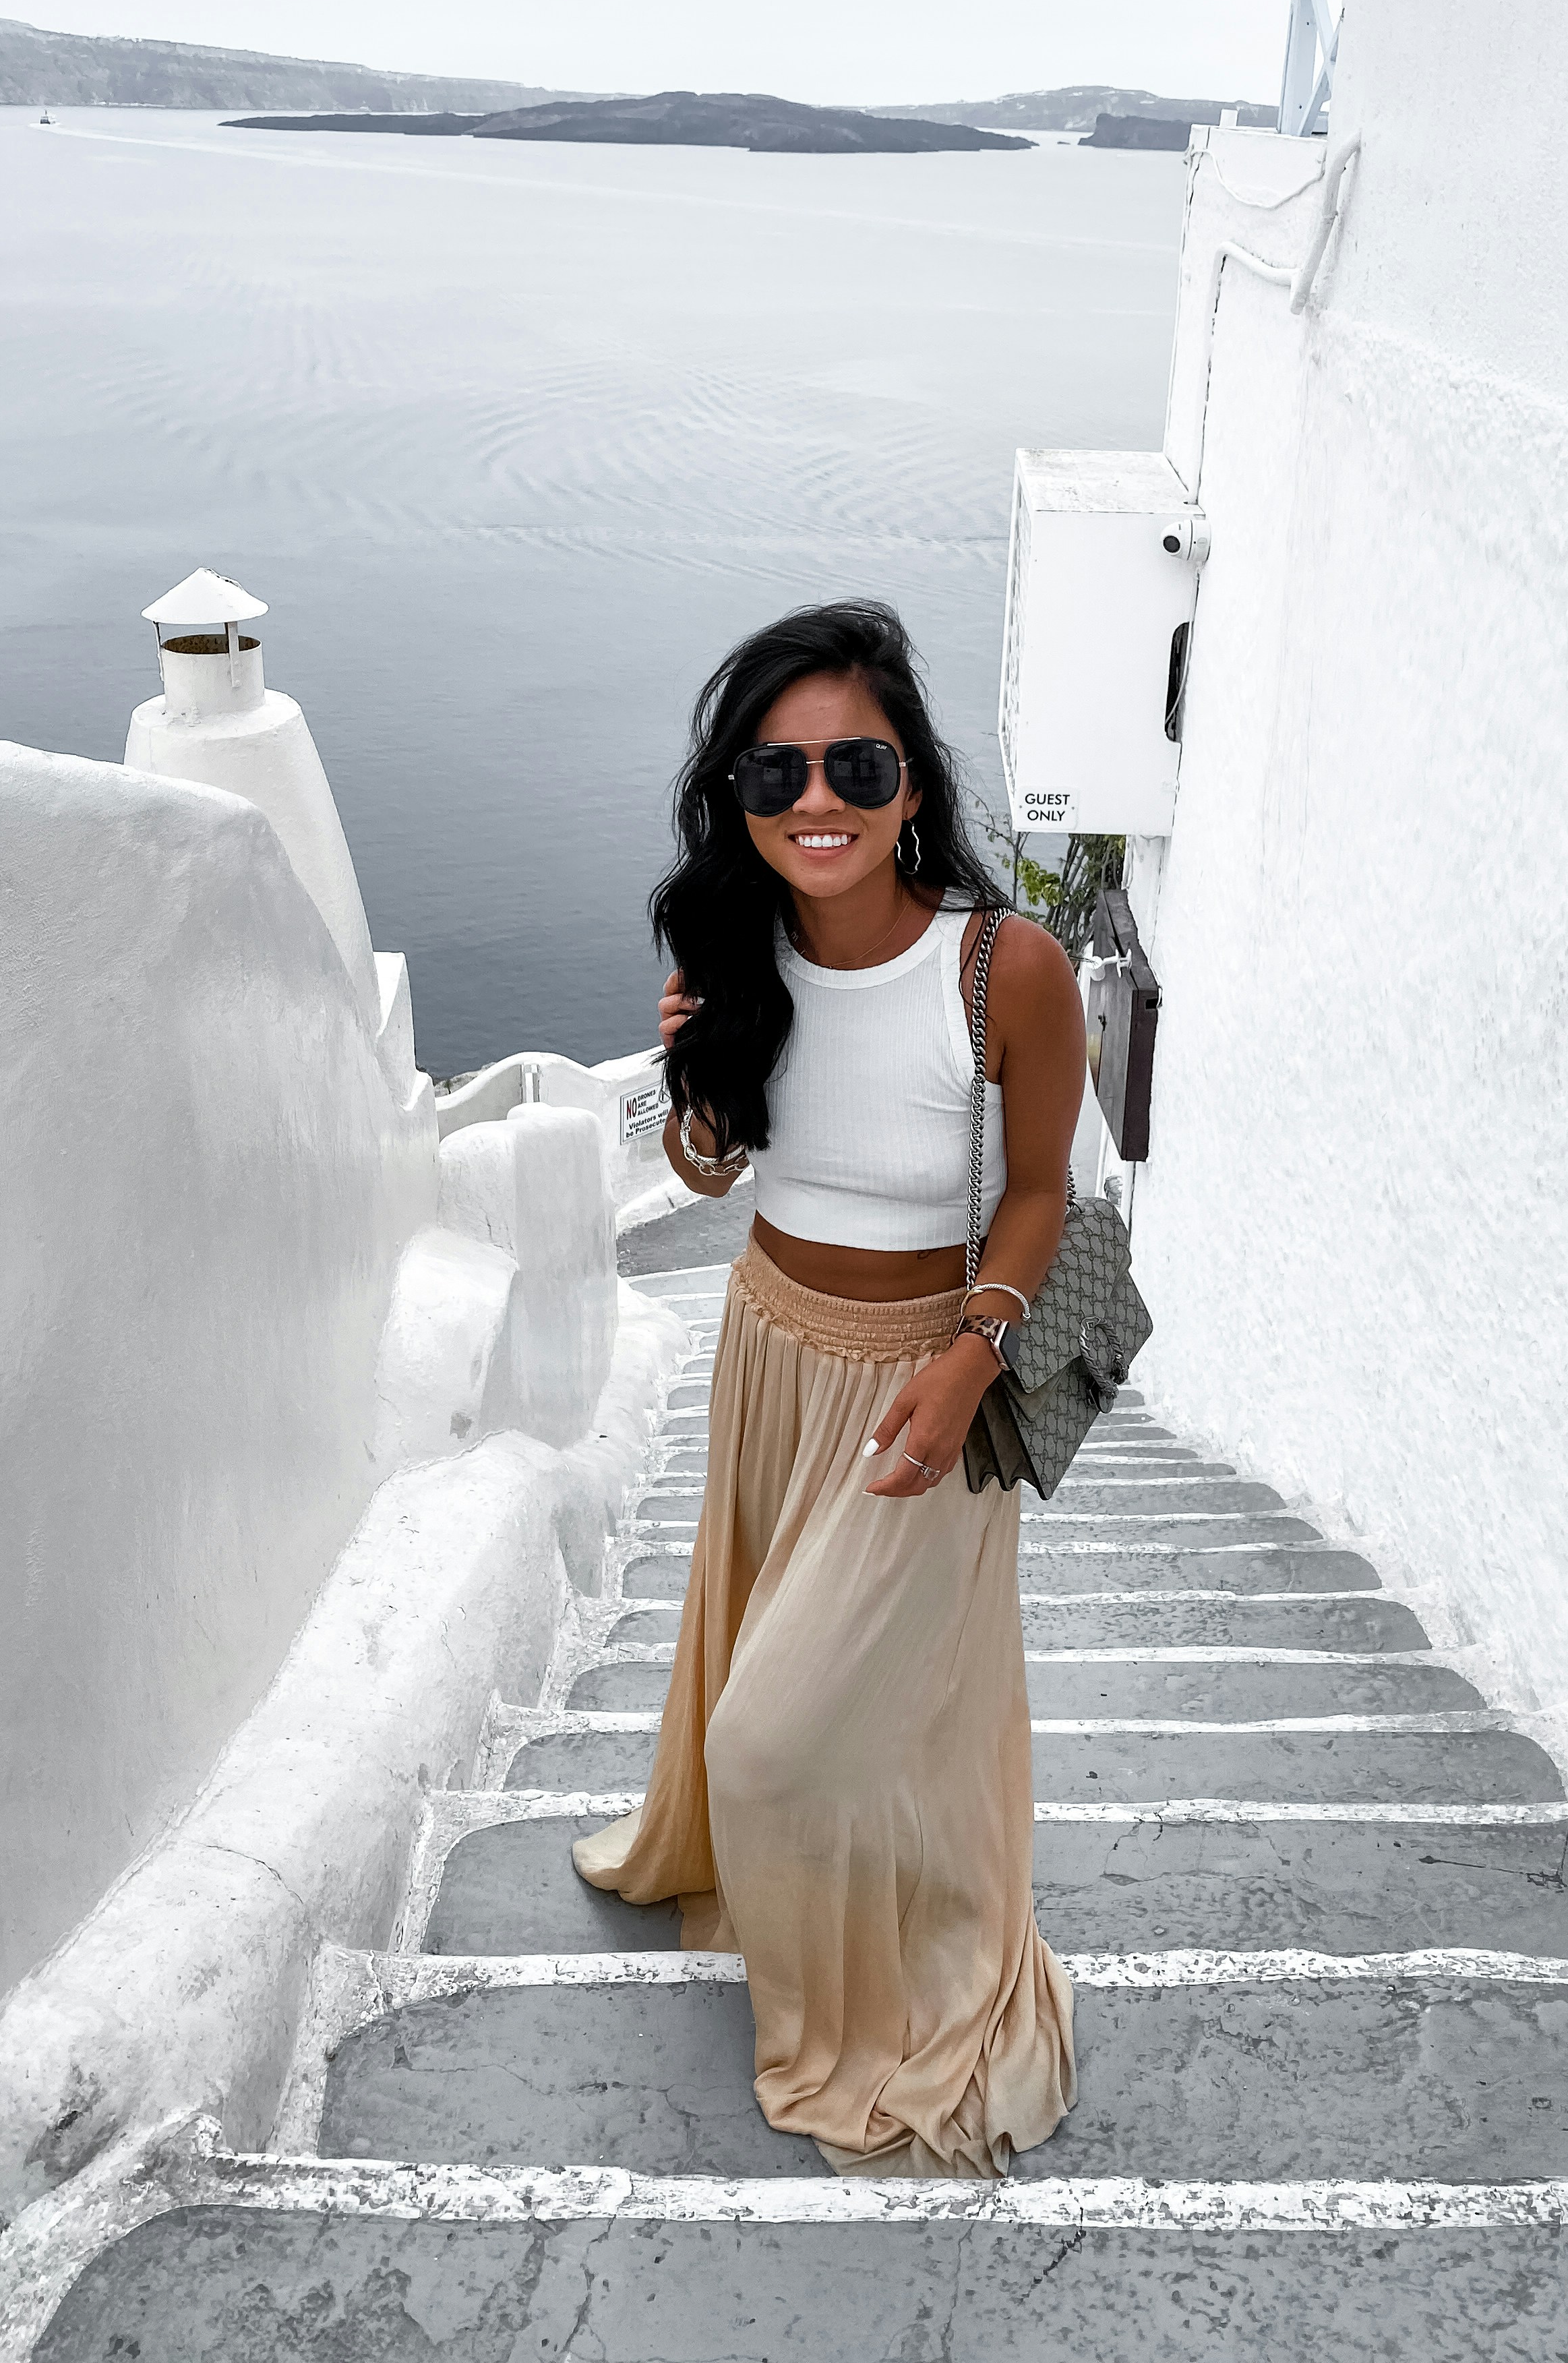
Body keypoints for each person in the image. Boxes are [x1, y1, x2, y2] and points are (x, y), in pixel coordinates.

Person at [574, 599, 1085, 2176]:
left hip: (924, 1382)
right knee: (805, 1687)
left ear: (914, 784)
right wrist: (694, 1077)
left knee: (778, 1737)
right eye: (774, 772)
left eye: (855, 765)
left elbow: (1043, 1193)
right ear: (734, 795)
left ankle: (888, 2002)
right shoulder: (739, 947)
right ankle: (807, 1878)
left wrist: (971, 1357)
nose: (817, 802)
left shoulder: (1007, 969)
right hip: (770, 1347)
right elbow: (719, 1166)